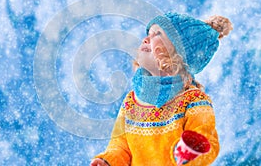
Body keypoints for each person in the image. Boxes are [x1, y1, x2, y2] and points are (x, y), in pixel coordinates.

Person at [90, 12, 233, 166]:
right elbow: (120, 146)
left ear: (179, 53)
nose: (145, 39)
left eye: (156, 34)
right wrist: (108, 161)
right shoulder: (131, 101)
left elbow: (207, 140)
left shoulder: (193, 101)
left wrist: (190, 151)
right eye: (148, 34)